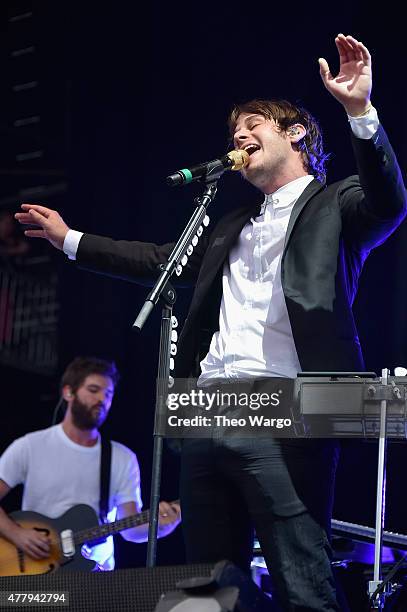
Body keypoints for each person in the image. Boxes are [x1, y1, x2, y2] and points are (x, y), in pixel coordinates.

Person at [15, 34, 407, 609]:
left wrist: (359, 112)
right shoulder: (229, 224)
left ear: (296, 133)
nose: (241, 137)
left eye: (254, 126)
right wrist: (70, 239)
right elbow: (158, 260)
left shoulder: (336, 204)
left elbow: (389, 200)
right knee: (212, 589)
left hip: (287, 415)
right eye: (234, 134)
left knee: (303, 580)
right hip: (208, 413)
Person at [0, 356, 181, 571]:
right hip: (35, 569)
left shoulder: (123, 458)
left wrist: (161, 527)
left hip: (94, 577)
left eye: (109, 394)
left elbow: (131, 530)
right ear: (68, 392)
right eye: (94, 390)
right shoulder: (29, 446)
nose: (102, 399)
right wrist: (17, 534)